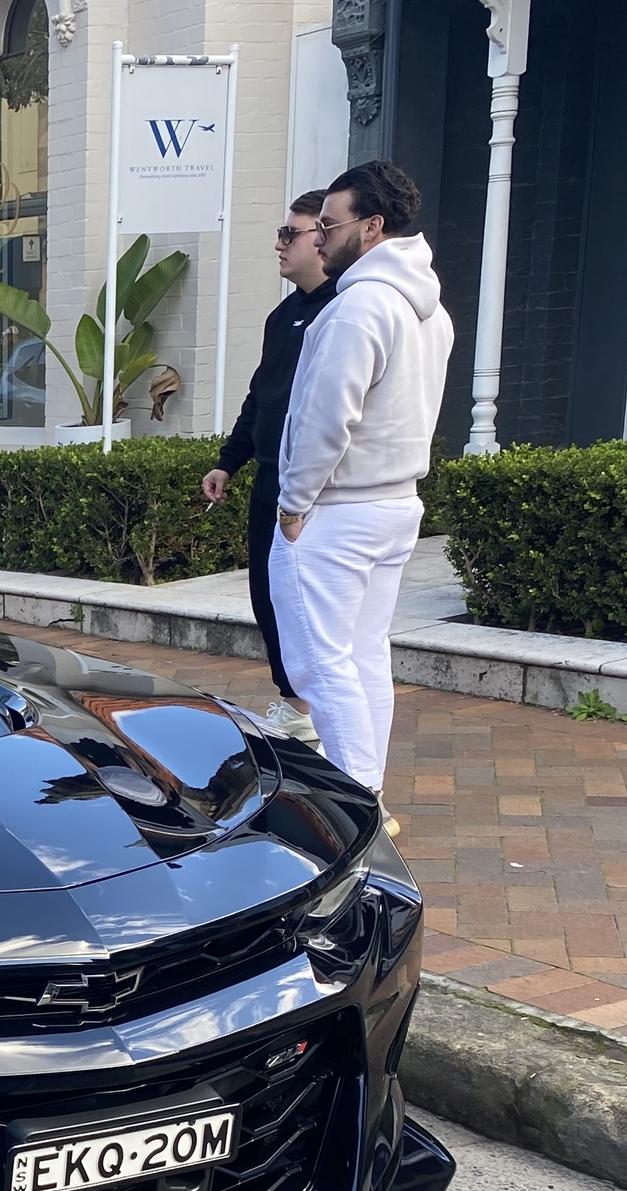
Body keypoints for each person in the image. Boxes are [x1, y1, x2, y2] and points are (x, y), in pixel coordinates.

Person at [272, 159, 455, 798]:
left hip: (339, 511)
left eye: (329, 224)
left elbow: (327, 417)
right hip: (395, 503)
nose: (317, 237)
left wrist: (292, 504)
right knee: (365, 654)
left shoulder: (359, 308)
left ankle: (359, 807)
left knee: (320, 666)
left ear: (372, 226)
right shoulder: (430, 309)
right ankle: (369, 792)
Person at [203, 192, 336, 741]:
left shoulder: (341, 310)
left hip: (316, 487)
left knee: (310, 604)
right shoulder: (283, 316)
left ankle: (322, 712)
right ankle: (295, 702)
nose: (279, 244)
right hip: (270, 479)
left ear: (321, 239)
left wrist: (304, 494)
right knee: (268, 592)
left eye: (291, 234)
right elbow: (261, 397)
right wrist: (228, 462)